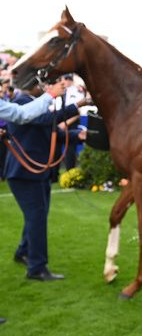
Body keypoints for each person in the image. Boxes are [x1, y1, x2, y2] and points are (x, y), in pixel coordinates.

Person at [6, 84, 87, 281]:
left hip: (35, 171)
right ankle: (36, 268)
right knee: (37, 217)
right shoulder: (22, 102)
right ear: (30, 85)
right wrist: (77, 106)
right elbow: (47, 120)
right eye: (40, 83)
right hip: (25, 171)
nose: (44, 86)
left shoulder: (32, 103)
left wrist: (78, 135)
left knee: (37, 216)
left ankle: (23, 252)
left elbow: (50, 131)